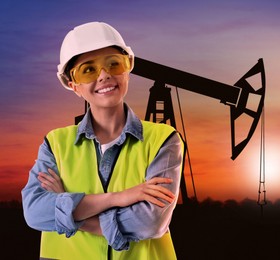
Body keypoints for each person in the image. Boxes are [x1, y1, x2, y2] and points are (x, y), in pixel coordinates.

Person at [22, 21, 184, 260]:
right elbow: (35, 213)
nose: (105, 75)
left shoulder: (163, 140)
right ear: (73, 85)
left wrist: (70, 212)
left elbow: (150, 222)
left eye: (114, 64)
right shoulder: (55, 144)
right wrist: (120, 197)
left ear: (128, 69)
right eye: (88, 69)